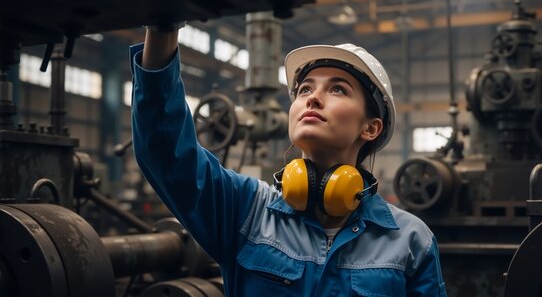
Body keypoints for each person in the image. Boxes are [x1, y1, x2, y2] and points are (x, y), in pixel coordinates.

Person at [131, 26, 447, 296]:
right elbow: (166, 150)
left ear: (370, 127)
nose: (312, 97)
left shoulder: (410, 240)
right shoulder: (246, 210)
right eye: (304, 88)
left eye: (337, 88)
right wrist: (163, 28)